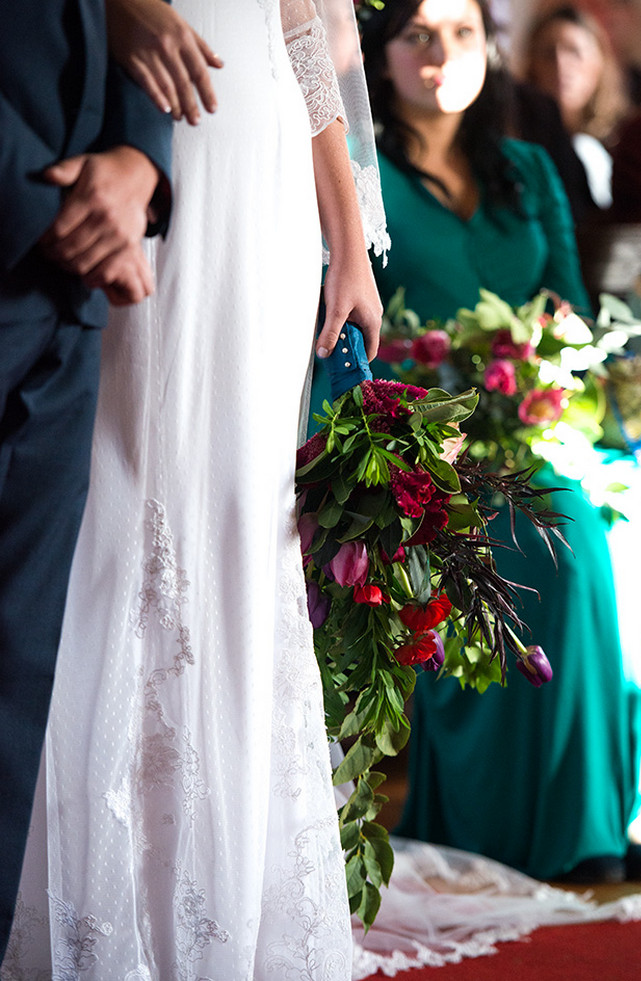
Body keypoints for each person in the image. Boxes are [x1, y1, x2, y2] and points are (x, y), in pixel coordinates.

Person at [1, 0, 385, 976]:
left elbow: (307, 34)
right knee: (121, 480)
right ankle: (85, 890)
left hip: (263, 161)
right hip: (158, 127)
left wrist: (345, 234)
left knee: (239, 513)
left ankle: (221, 892)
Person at [359, 0, 641, 883]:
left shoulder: (526, 167)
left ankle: (585, 822)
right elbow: (345, 329)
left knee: (581, 529)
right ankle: (499, 821)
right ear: (381, 55)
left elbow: (566, 300)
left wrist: (550, 363)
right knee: (548, 530)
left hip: (526, 429)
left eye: (456, 33)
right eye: (415, 35)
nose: (438, 54)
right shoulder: (361, 170)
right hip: (408, 447)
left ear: (485, 46)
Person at [0, 1, 173, 960]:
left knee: (15, 670)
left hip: (68, 305)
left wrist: (139, 163)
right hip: (39, 220)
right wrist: (47, 204)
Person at [523, 5, 630, 210]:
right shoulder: (521, 146)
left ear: (599, 62)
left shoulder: (620, 141)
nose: (561, 64)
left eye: (574, 51)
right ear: (532, 65)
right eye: (548, 53)